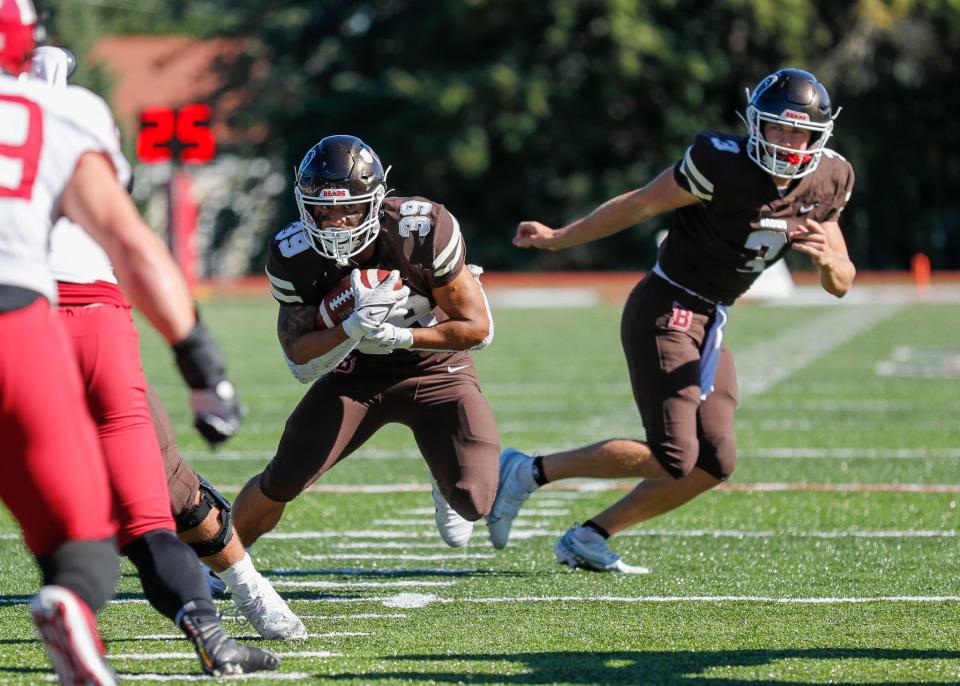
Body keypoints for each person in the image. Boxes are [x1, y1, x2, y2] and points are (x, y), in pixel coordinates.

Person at [0, 8, 279, 682]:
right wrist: (201, 362)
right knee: (118, 527)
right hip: (52, 320)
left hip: (43, 318)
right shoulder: (62, 114)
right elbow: (131, 243)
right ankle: (180, 621)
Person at [491, 68, 856, 572]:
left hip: (711, 318)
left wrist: (829, 263)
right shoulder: (719, 163)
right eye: (778, 128)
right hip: (667, 306)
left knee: (715, 461)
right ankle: (526, 472)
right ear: (756, 125)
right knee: (673, 455)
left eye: (800, 132)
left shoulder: (828, 178)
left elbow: (841, 280)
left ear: (819, 136)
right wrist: (558, 238)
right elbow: (639, 204)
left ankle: (589, 536)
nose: (789, 142)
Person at [231, 134, 500, 552]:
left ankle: (441, 471)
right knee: (282, 478)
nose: (336, 222)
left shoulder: (419, 229)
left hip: (436, 368)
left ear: (375, 201)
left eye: (349, 209)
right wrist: (350, 327)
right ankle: (215, 561)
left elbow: (478, 328)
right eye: (323, 210)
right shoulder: (294, 251)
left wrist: (399, 335)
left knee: (475, 501)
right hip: (354, 374)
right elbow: (298, 357)